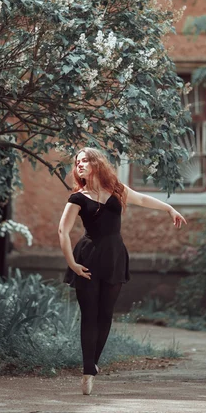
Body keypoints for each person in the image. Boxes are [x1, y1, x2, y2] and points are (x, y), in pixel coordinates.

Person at [58, 147, 187, 395]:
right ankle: (87, 372)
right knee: (89, 315)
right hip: (87, 258)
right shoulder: (78, 198)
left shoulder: (117, 190)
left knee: (106, 314)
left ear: (96, 164)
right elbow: (63, 231)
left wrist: (169, 209)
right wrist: (72, 264)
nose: (80, 165)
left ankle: (92, 364)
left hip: (115, 258)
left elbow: (142, 199)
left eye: (85, 160)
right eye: (77, 162)